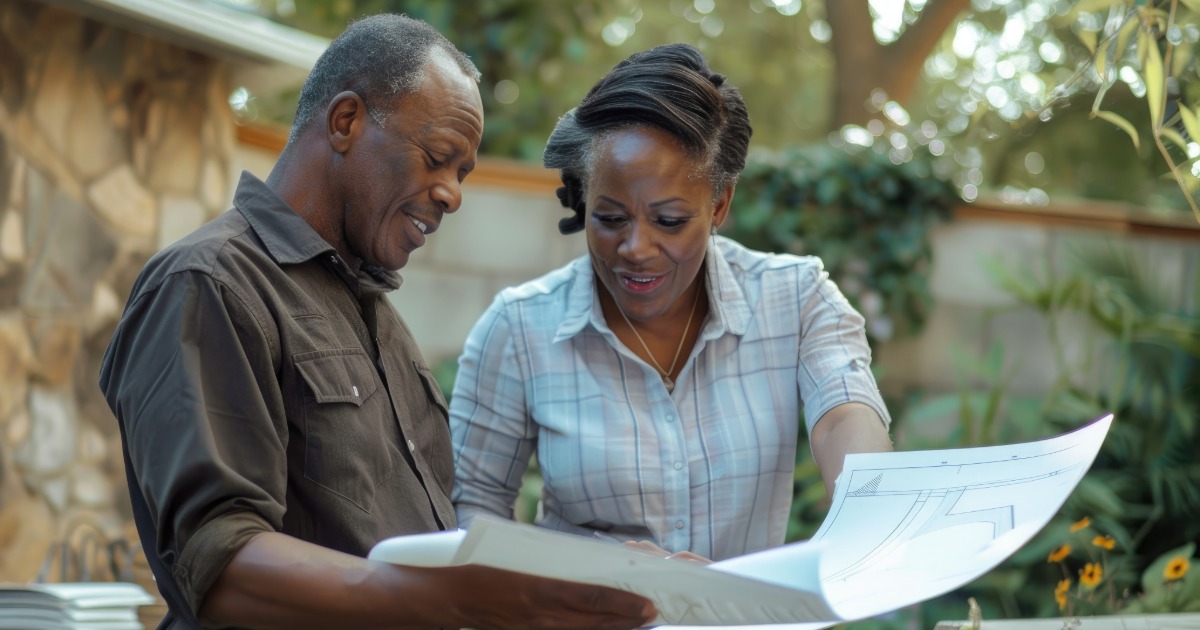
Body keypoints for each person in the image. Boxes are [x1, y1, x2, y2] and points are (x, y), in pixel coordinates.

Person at [99, 15, 656, 630]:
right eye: (438, 158)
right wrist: (451, 599)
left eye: (462, 174)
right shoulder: (209, 284)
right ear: (345, 121)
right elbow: (219, 565)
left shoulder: (380, 319)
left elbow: (431, 546)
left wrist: (589, 576)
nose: (452, 194)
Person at [450, 43, 894, 562]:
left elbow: (844, 416)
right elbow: (475, 504)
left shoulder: (797, 298)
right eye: (610, 218)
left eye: (669, 221)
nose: (635, 249)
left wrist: (871, 515)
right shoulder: (519, 327)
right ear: (583, 201)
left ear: (719, 205)